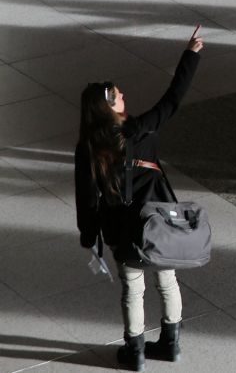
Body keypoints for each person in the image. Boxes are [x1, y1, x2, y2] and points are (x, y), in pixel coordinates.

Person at [74, 27, 203, 371]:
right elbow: (173, 98)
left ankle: (135, 352)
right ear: (109, 107)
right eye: (117, 95)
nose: (123, 95)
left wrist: (90, 236)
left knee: (133, 289)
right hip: (158, 220)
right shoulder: (141, 129)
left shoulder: (89, 147)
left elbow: (86, 197)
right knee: (166, 281)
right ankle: (171, 344)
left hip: (120, 226)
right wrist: (190, 55)